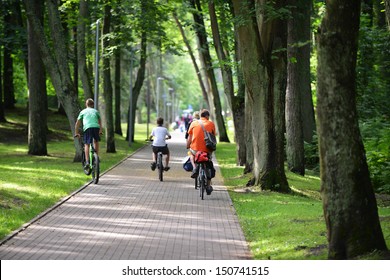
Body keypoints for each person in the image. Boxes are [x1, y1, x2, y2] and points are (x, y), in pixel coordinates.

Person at [186, 109, 216, 194]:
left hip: (195, 150)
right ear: (207, 116)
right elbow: (213, 137)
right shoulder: (211, 124)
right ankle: (208, 186)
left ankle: (195, 168)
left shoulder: (193, 123)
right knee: (209, 163)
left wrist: (188, 146)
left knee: (191, 154)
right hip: (207, 150)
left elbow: (189, 138)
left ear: (200, 116)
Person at [74, 98, 103, 171]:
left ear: (86, 104)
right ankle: (96, 157)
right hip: (96, 127)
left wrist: (76, 132)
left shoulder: (83, 111)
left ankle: (87, 162)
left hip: (87, 128)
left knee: (87, 144)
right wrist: (100, 131)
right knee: (96, 141)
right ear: (93, 105)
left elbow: (77, 123)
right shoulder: (96, 111)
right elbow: (100, 122)